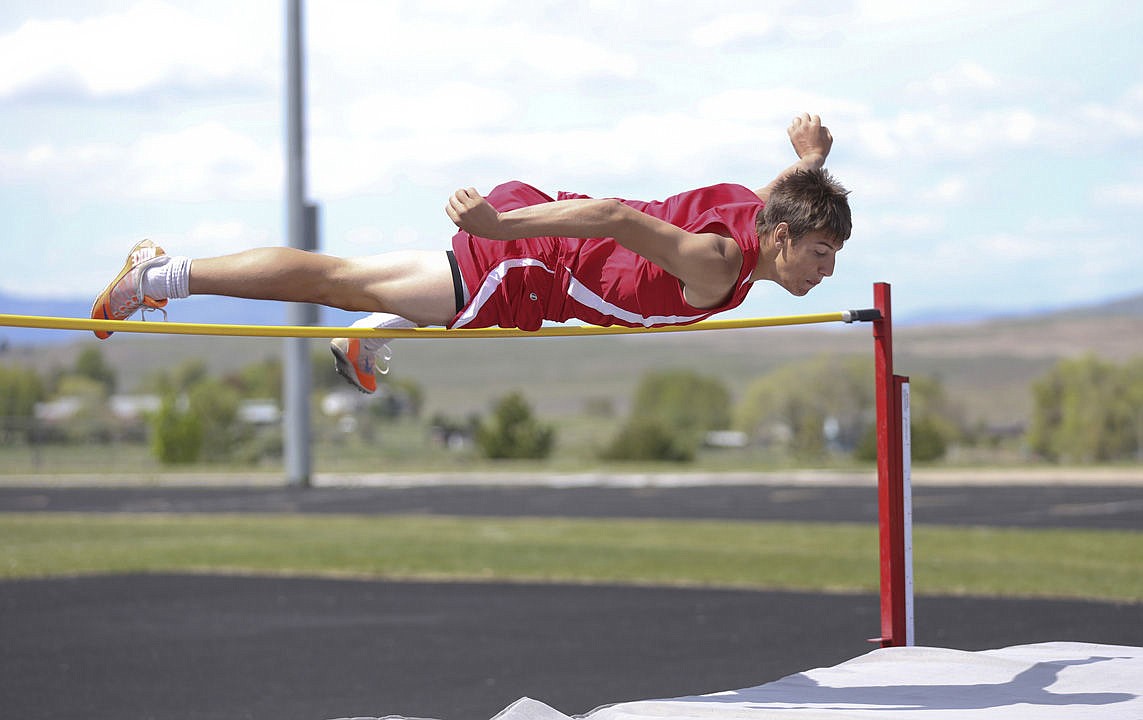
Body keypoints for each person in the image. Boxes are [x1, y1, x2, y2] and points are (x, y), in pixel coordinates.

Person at [90, 113, 851, 394]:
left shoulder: (758, 219)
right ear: (781, 239)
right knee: (340, 281)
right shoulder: (717, 263)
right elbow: (616, 218)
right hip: (527, 266)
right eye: (819, 253)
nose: (825, 272)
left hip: (539, 253)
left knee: (372, 300)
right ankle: (160, 276)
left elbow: (787, 197)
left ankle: (366, 338)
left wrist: (811, 162)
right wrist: (494, 231)